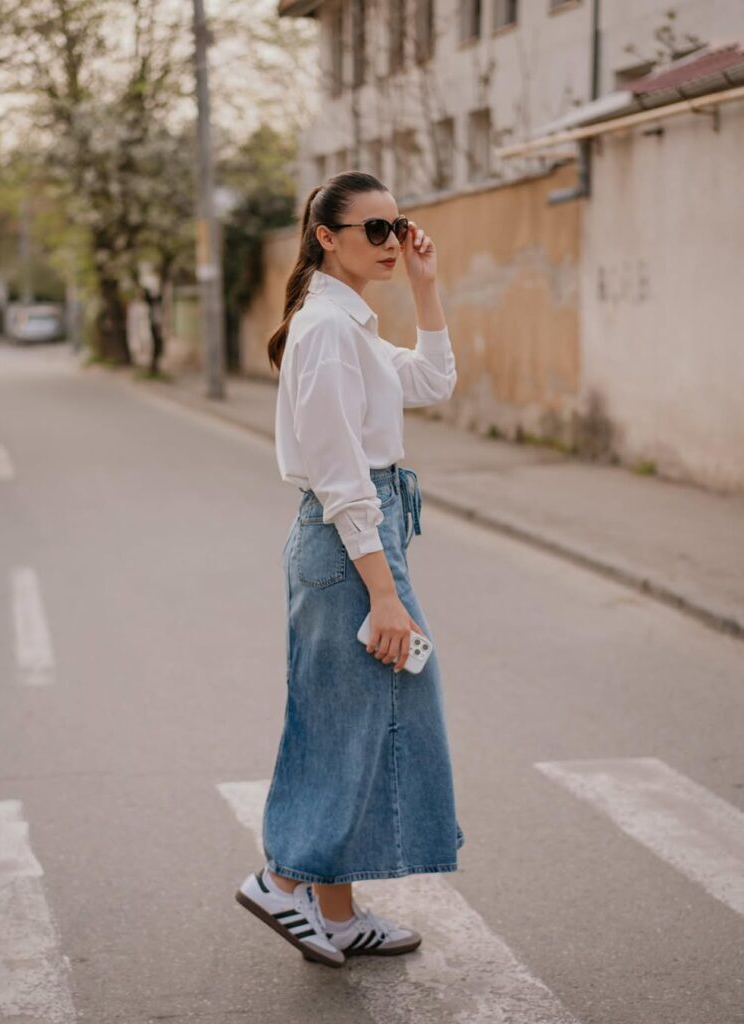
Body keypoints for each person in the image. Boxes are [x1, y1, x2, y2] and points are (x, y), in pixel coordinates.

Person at [235, 171, 465, 969]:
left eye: (396, 226)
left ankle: (335, 911)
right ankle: (280, 878)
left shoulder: (353, 327)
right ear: (325, 237)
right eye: (373, 228)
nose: (391, 242)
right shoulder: (326, 330)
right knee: (343, 721)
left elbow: (433, 380)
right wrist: (383, 592)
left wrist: (428, 288)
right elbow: (339, 476)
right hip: (348, 545)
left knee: (372, 717)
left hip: (367, 534)